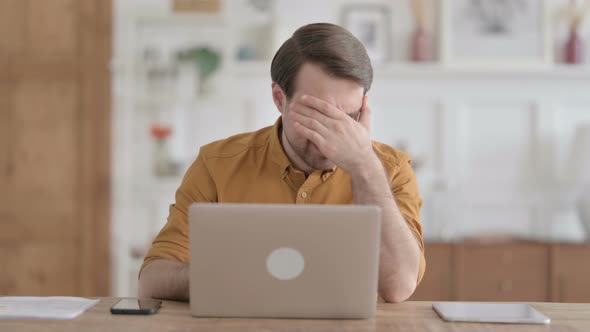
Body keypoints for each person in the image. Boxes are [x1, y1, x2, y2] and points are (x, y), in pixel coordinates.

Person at [138, 23, 425, 303]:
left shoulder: (391, 169)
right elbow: (152, 280)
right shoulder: (217, 164)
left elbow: (399, 287)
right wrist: (231, 274)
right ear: (279, 98)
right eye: (317, 116)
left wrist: (365, 166)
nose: (331, 138)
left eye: (349, 118)